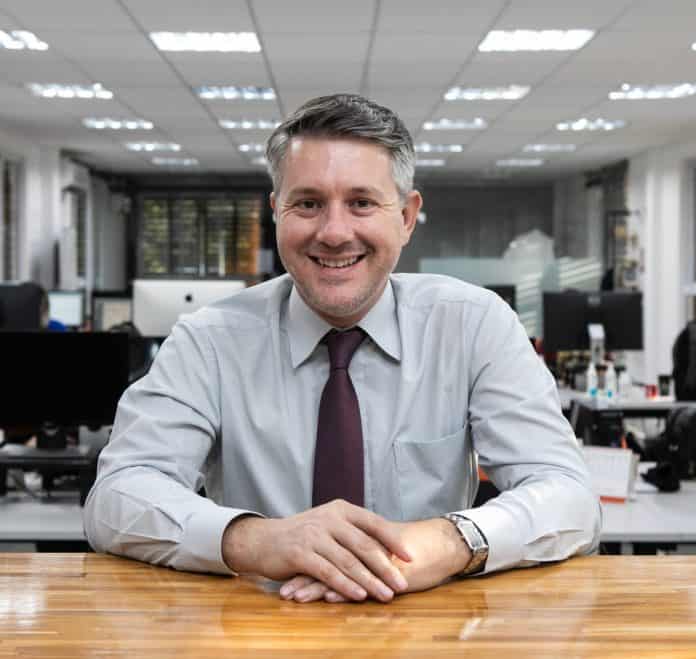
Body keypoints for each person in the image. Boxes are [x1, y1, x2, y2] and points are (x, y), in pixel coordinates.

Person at [84, 94, 601, 604]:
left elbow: (570, 495)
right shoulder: (209, 341)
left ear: (406, 217)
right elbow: (116, 495)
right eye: (308, 203)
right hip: (260, 625)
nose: (334, 233)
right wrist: (256, 540)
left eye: (362, 203)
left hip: (430, 627)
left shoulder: (474, 325)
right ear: (277, 213)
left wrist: (451, 542)